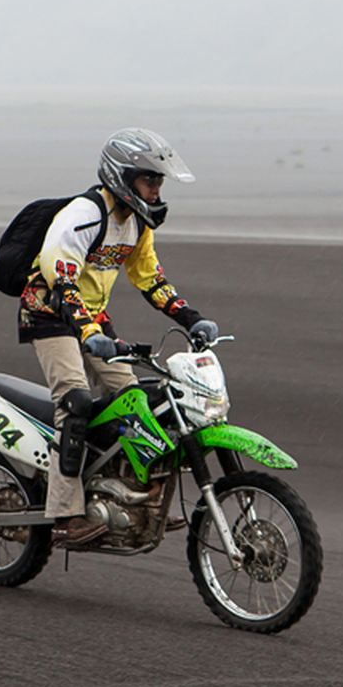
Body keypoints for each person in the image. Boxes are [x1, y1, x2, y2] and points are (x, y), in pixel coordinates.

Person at [18, 127, 218, 546]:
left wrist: (192, 319)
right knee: (74, 403)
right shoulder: (84, 214)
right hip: (49, 314)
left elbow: (150, 280)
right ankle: (64, 516)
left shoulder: (137, 224)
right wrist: (90, 332)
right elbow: (61, 282)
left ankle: (128, 496)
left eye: (159, 181)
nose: (156, 190)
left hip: (92, 319)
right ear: (122, 177)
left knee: (135, 403)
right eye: (149, 180)